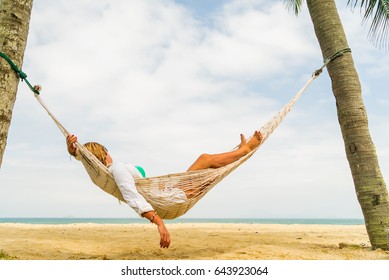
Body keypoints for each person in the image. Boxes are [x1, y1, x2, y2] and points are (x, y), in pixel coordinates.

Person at [66, 131, 262, 248]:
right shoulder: (116, 168)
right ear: (103, 152)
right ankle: (243, 151)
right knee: (206, 161)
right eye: (106, 150)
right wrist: (159, 223)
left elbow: (89, 163)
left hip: (169, 194)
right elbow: (131, 195)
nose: (109, 153)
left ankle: (239, 151)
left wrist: (74, 151)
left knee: (208, 167)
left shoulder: (102, 175)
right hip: (171, 199)